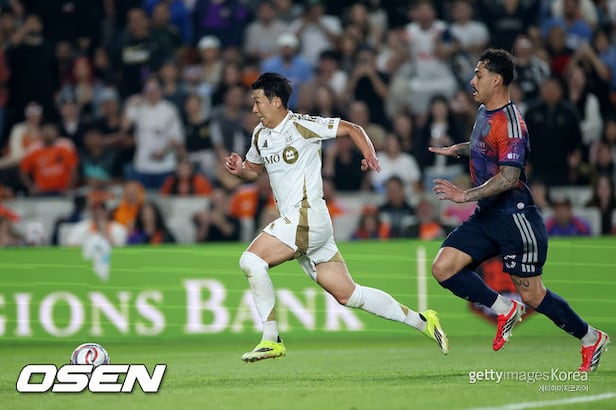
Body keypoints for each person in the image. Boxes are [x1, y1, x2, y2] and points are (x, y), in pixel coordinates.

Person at [224, 72, 448, 362]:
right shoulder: (260, 134)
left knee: (251, 261)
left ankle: (271, 339)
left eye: (257, 101)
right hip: (306, 225)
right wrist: (240, 169)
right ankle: (423, 321)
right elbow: (254, 170)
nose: (254, 109)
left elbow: (352, 128)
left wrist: (369, 154)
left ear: (276, 101)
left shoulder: (302, 125)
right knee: (349, 295)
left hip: (306, 216)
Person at [428, 49, 609, 372]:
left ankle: (591, 337)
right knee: (443, 268)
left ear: (497, 80)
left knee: (534, 296)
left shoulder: (512, 124)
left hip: (515, 217)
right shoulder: (485, 112)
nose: (472, 81)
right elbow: (485, 147)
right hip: (488, 215)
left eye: (479, 75)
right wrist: (459, 150)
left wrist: (464, 195)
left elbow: (509, 177)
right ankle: (503, 308)